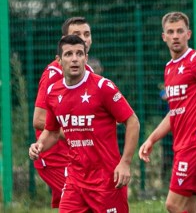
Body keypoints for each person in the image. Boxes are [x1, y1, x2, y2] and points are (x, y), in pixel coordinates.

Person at [28, 35, 139, 212]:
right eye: (69, 54)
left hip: (106, 180)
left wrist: (125, 162)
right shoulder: (53, 92)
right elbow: (53, 132)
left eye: (79, 54)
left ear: (85, 58)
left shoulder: (103, 87)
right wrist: (39, 145)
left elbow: (132, 121)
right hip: (75, 180)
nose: (74, 59)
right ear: (59, 60)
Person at [138, 12, 196, 213]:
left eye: (180, 31)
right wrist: (151, 139)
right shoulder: (169, 68)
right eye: (170, 32)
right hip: (183, 145)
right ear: (164, 37)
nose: (175, 36)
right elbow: (175, 113)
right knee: (189, 206)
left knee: (173, 204)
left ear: (188, 34)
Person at [31, 16, 95, 208]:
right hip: (54, 157)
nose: (83, 38)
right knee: (86, 204)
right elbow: (39, 119)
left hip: (77, 154)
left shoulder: (87, 71)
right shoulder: (54, 73)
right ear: (64, 40)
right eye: (76, 34)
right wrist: (75, 134)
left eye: (87, 34)